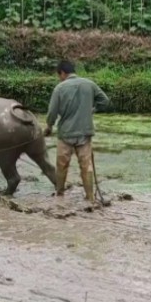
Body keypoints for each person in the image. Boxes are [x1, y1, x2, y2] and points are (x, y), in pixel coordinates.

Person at [45, 60, 110, 202]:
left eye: (59, 75)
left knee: (62, 165)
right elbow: (104, 101)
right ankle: (90, 197)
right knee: (86, 166)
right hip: (84, 133)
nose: (59, 78)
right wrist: (93, 110)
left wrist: (49, 127)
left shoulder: (60, 88)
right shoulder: (89, 84)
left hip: (66, 134)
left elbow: (52, 112)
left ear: (62, 73)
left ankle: (60, 194)